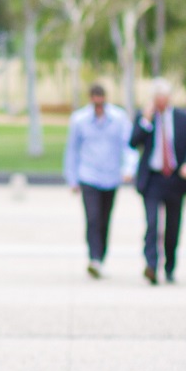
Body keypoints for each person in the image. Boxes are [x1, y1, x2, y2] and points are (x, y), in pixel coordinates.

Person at [129, 79, 186, 284]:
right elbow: (133, 142)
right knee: (152, 224)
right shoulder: (145, 117)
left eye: (163, 98)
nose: (160, 102)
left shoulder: (184, 118)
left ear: (169, 98)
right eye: (156, 98)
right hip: (152, 179)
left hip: (176, 179)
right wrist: (145, 120)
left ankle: (169, 266)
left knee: (172, 227)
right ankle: (151, 265)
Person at [64, 83, 130, 278]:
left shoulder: (119, 118)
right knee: (92, 218)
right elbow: (72, 150)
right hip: (88, 175)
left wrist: (128, 168)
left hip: (111, 175)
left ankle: (101, 257)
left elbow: (127, 145)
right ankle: (93, 257)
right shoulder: (79, 120)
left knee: (104, 219)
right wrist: (72, 179)